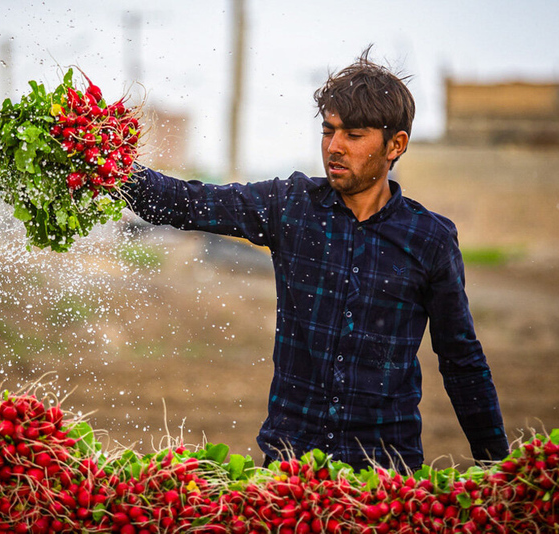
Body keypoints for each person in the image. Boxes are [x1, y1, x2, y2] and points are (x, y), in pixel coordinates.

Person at [125, 48, 509, 471]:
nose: (334, 147)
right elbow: (183, 203)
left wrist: (497, 468)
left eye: (354, 135)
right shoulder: (289, 206)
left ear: (395, 144)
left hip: (386, 473)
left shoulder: (429, 239)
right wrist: (102, 161)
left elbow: (462, 360)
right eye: (328, 131)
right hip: (289, 467)